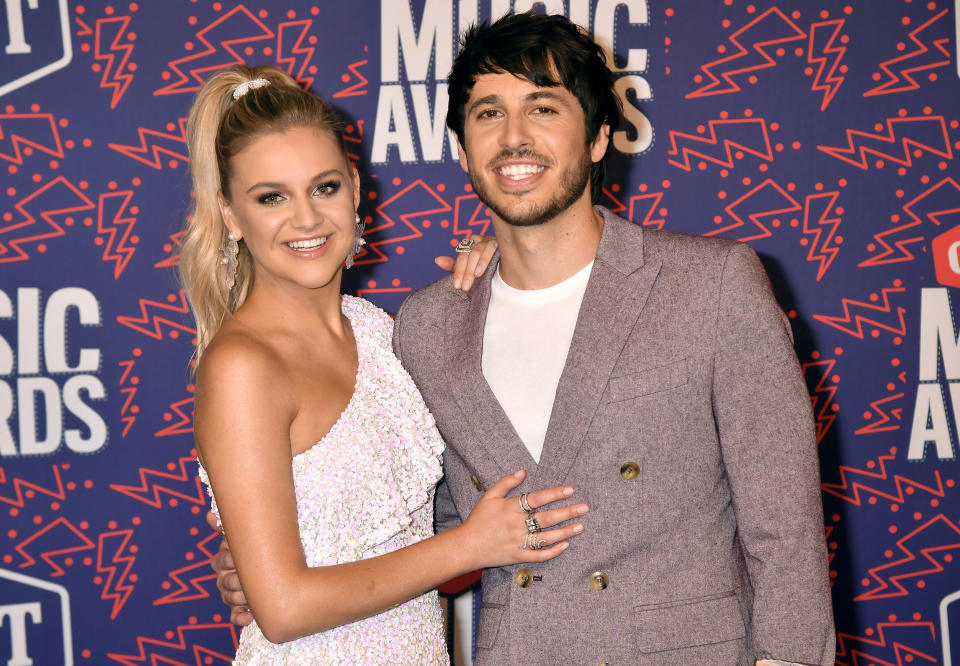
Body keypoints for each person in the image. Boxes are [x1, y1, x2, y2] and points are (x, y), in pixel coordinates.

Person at [214, 12, 836, 665]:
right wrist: (294, 562)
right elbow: (442, 527)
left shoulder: (712, 285)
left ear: (599, 138)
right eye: (487, 114)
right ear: (460, 148)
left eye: (543, 108)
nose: (514, 137)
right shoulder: (428, 325)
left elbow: (786, 531)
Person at [182, 63, 588, 664]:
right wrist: (469, 546)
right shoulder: (242, 365)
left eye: (324, 188)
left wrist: (496, 264)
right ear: (232, 215)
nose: (306, 219)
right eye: (271, 197)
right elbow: (284, 607)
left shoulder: (378, 331)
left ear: (355, 187)